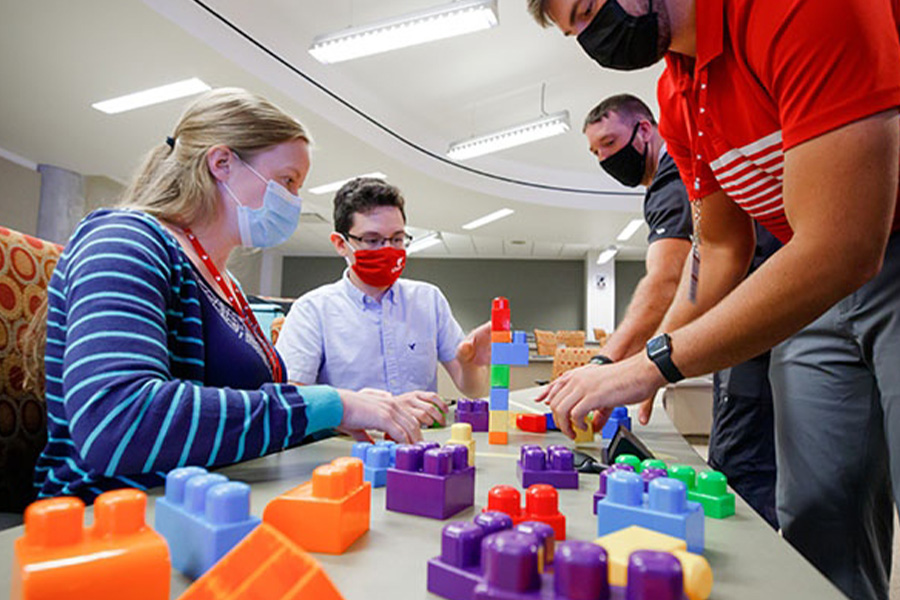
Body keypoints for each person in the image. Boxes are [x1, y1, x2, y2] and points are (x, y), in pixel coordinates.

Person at [528, 2, 900, 598]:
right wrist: (646, 363)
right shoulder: (678, 89)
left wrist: (654, 364)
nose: (591, 37)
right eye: (575, 31)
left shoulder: (794, 12)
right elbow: (721, 247)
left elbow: (847, 243)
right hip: (807, 276)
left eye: (587, 10)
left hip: (867, 249)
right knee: (815, 511)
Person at [32, 88, 425, 504]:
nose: (292, 201)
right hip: (113, 517)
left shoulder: (225, 284)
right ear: (222, 164)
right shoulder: (124, 239)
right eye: (287, 181)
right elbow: (119, 422)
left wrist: (337, 418)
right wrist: (331, 404)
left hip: (210, 499)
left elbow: (250, 416)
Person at [583, 93, 780, 528]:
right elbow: (698, 270)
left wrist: (607, 362)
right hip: (746, 323)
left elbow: (668, 279)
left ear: (646, 130)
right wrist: (654, 362)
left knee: (742, 471)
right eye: (596, 152)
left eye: (611, 143)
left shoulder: (673, 173)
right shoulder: (684, 175)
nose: (605, 158)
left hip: (763, 325)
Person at [275, 178, 491, 422]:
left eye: (397, 239)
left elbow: (473, 389)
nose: (387, 250)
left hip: (420, 448)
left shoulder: (428, 300)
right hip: (347, 450)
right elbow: (292, 401)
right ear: (341, 244)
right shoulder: (312, 310)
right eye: (372, 240)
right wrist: (375, 409)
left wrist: (470, 363)